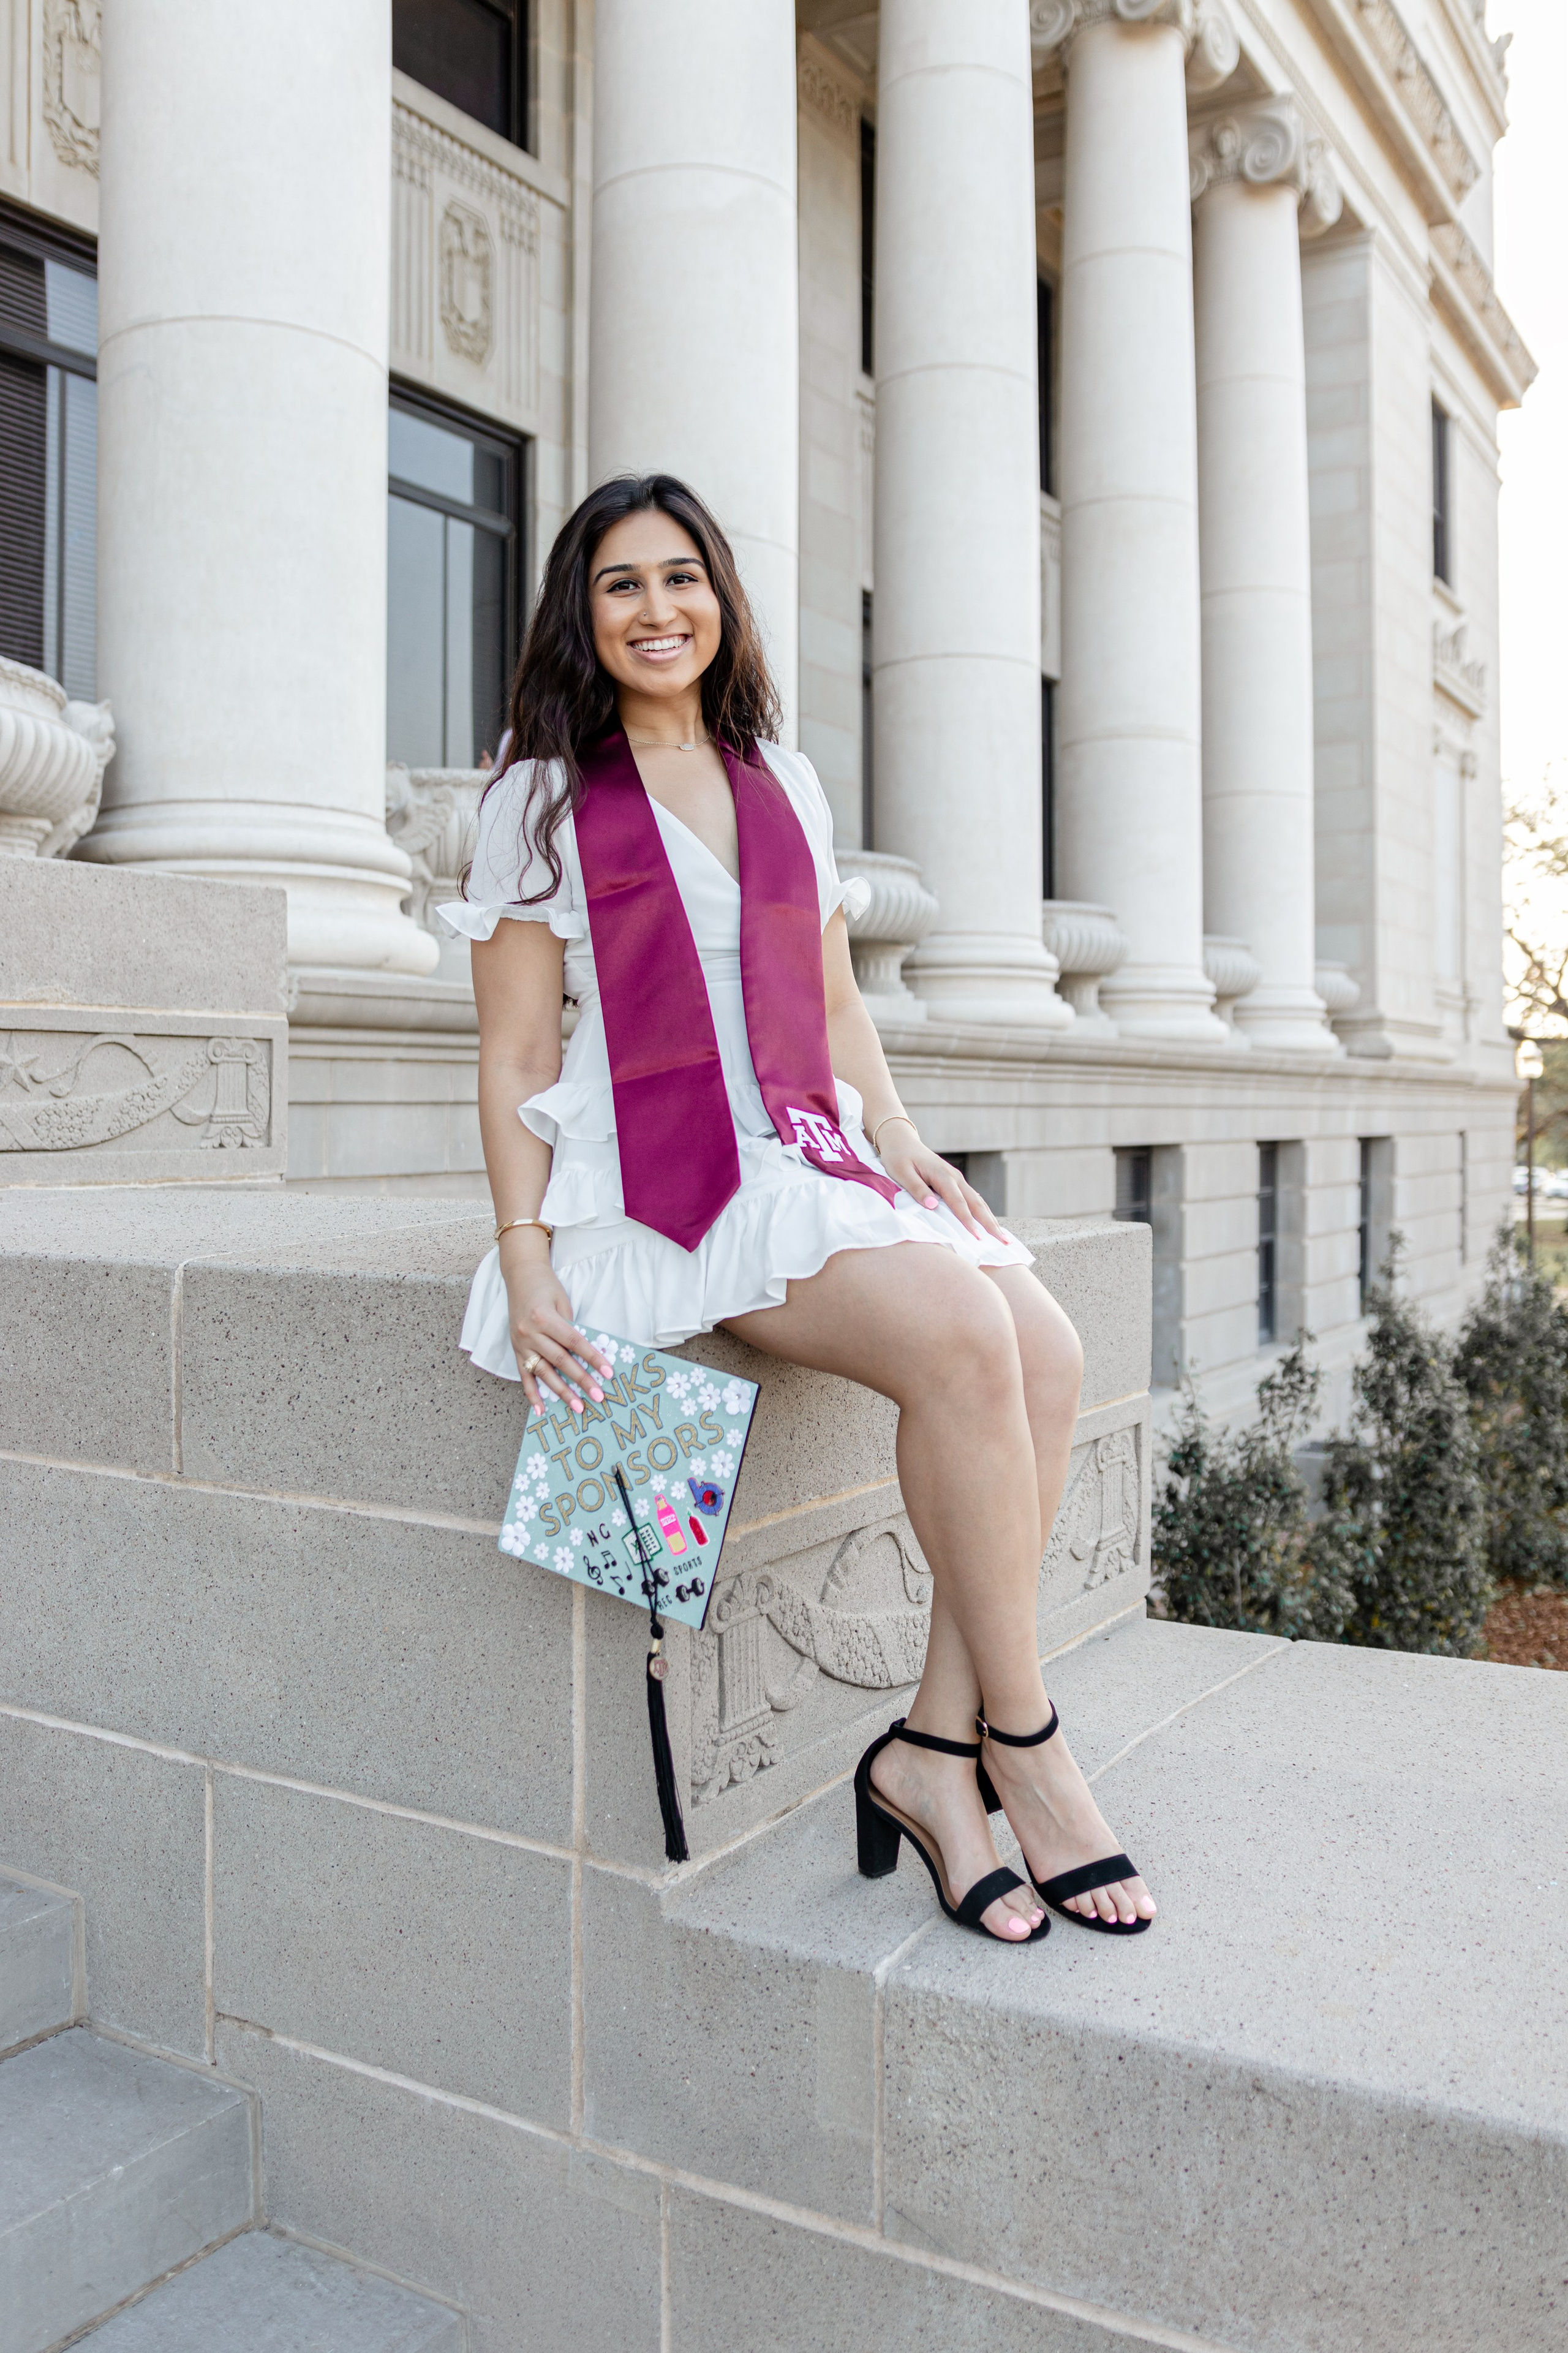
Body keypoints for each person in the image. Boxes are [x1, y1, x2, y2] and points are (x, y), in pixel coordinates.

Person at [443, 475, 1155, 1944]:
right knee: (964, 1335)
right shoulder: (539, 794)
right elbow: (512, 1049)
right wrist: (523, 1253)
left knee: (1048, 1350)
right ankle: (1025, 1747)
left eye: (681, 577)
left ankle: (931, 1751)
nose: (657, 609)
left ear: (720, 598)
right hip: (663, 1177)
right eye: (622, 584)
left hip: (808, 1146)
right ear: (581, 612)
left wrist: (900, 1141)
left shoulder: (779, 775)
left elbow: (833, 1003)